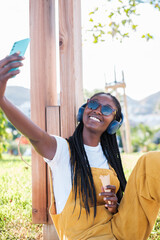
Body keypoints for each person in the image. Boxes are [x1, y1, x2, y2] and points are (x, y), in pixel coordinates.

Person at [0, 53, 160, 240]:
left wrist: (115, 205)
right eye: (93, 104)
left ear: (113, 124)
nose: (98, 110)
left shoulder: (110, 162)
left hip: (121, 230)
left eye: (107, 109)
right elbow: (35, 136)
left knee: (151, 161)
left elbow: (125, 207)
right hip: (85, 237)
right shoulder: (62, 150)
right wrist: (2, 100)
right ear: (84, 110)